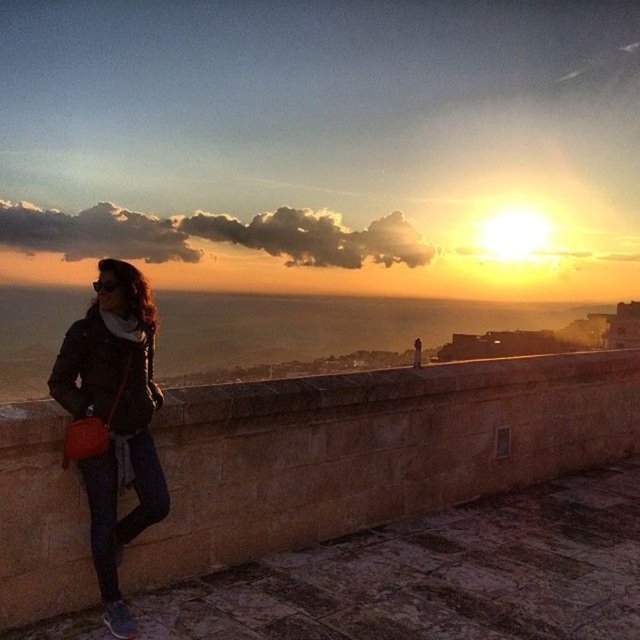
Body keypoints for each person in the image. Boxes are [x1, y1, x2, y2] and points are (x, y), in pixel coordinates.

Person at [48, 258, 170, 639]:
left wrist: (153, 398)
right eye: (98, 285)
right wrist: (88, 410)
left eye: (109, 286)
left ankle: (117, 539)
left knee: (158, 504)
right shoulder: (85, 332)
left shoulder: (143, 331)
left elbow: (146, 378)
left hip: (137, 433)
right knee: (102, 518)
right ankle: (113, 604)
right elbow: (58, 382)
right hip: (99, 438)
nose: (101, 292)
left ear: (129, 292)